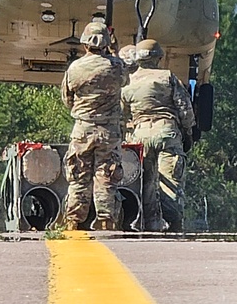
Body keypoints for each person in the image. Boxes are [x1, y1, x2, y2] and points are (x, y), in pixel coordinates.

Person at [60, 20, 129, 231]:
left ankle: (73, 220)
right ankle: (106, 220)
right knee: (106, 176)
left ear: (84, 44)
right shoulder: (115, 66)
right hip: (109, 131)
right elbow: (124, 79)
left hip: (83, 128)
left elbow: (67, 98)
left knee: (79, 177)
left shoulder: (75, 68)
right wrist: (115, 51)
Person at [121, 39, 196, 232]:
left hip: (140, 136)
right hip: (167, 132)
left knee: (144, 183)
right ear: (159, 58)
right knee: (170, 182)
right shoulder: (167, 77)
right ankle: (173, 225)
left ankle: (147, 224)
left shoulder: (129, 81)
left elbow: (121, 115)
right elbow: (185, 109)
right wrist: (188, 133)